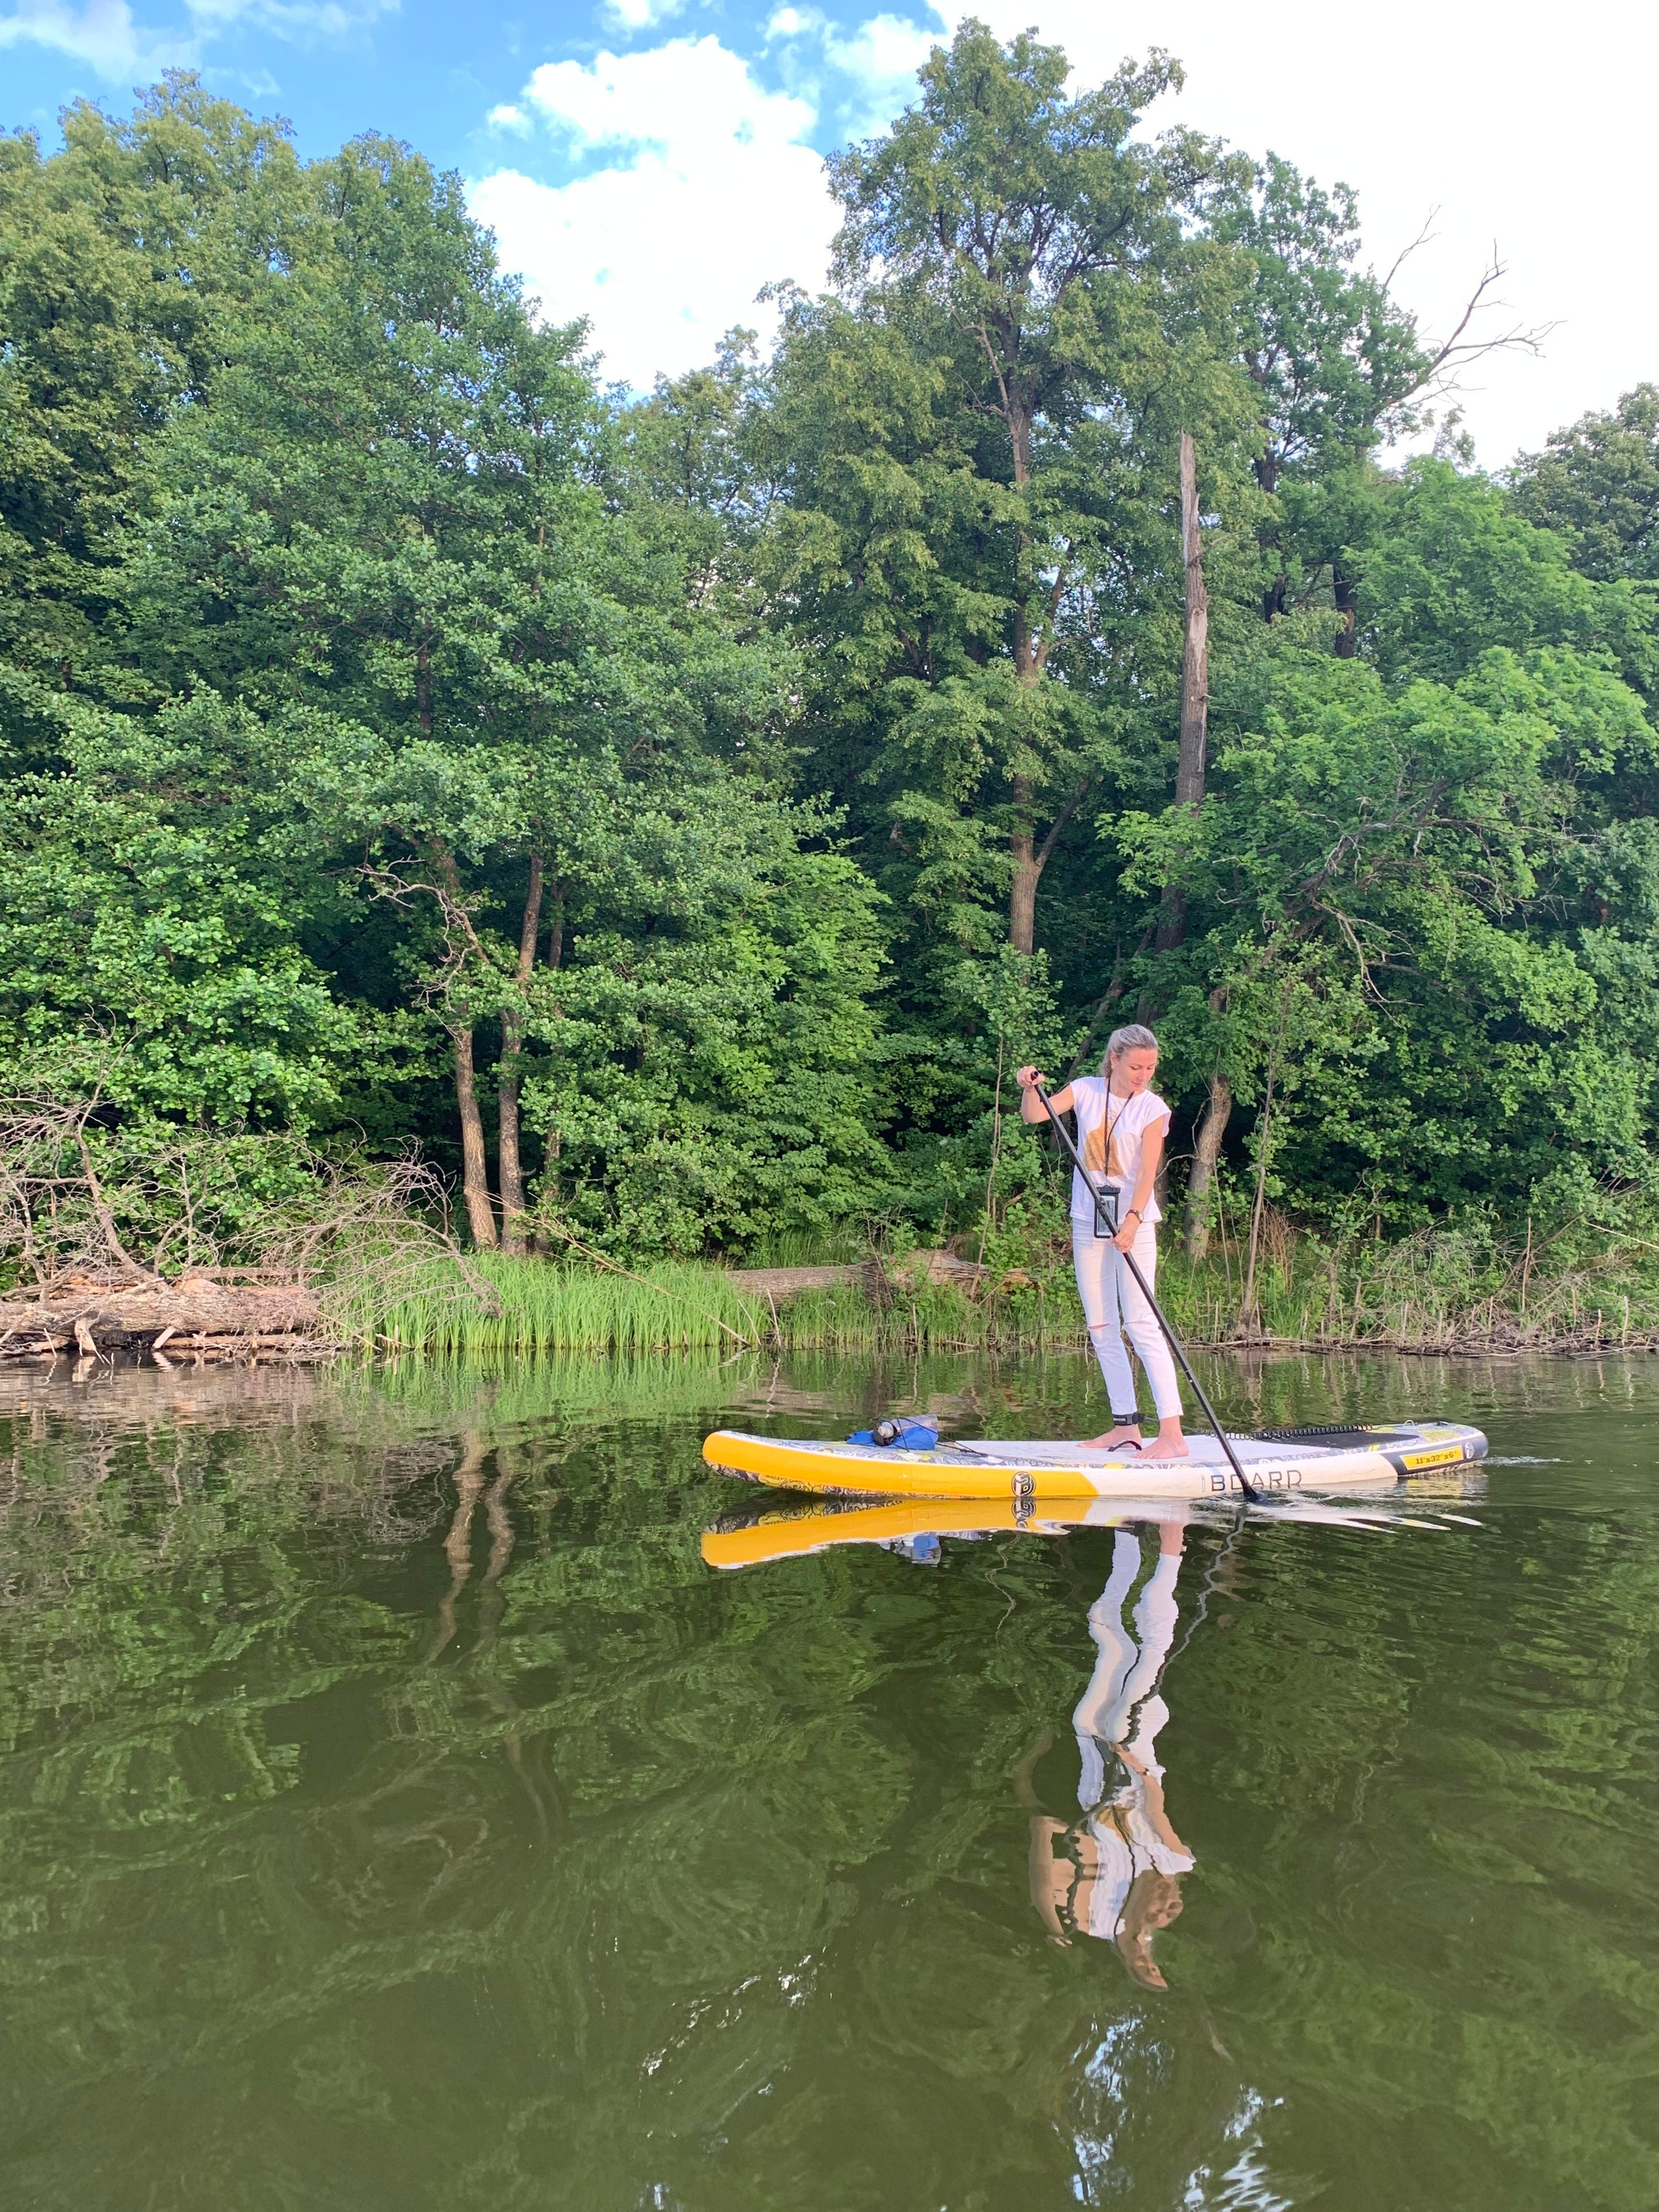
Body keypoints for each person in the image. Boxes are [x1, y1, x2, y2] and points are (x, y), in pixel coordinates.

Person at [1019, 1519, 1195, 1988]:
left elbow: (1047, 1839)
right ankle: (1173, 1542)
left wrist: (1054, 1927)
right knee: (1152, 1644)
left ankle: (1126, 1529)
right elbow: (1154, 1799)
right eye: (1169, 1909)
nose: (1162, 1907)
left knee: (1105, 1629)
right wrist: (1131, 1757)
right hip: (1133, 1747)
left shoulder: (1095, 1918)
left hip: (1092, 1756)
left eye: (1141, 1968)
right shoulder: (1173, 1862)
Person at [1015, 1024, 1187, 1458]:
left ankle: (1172, 1435)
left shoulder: (1152, 1108)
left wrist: (1131, 1219)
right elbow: (1035, 1115)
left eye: (1149, 1067)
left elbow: (1148, 1173)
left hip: (1134, 1222)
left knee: (1141, 1322)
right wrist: (1028, 1087)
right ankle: (1126, 1427)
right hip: (1088, 1218)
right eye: (1135, 1066)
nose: (1142, 1074)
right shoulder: (1086, 1089)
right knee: (1101, 1324)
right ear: (1114, 1059)